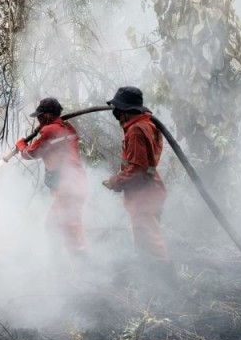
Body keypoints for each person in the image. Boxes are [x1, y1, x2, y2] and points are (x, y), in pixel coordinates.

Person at [101, 86, 177, 283]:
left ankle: (169, 285)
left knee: (151, 241)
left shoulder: (135, 130)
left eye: (117, 110)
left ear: (124, 111)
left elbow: (137, 169)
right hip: (150, 190)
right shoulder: (147, 124)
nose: (116, 115)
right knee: (145, 239)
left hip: (144, 193)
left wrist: (115, 182)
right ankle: (152, 282)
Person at [15, 97, 87, 254]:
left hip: (68, 185)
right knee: (53, 225)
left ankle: (81, 269)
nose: (39, 119)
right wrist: (41, 130)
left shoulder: (50, 131)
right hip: (75, 183)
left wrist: (21, 146)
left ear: (48, 115)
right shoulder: (67, 128)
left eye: (41, 116)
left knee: (69, 230)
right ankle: (59, 265)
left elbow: (32, 153)